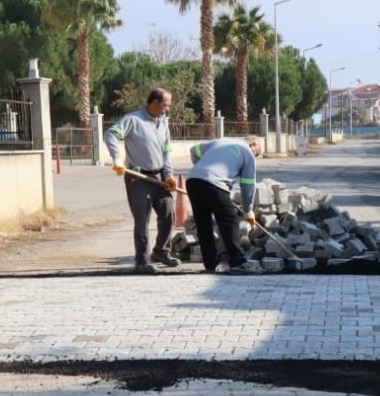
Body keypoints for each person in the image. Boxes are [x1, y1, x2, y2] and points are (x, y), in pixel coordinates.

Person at [104, 88, 177, 273]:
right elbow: (111, 134)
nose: (167, 109)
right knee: (142, 219)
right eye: (165, 105)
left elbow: (167, 151)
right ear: (154, 103)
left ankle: (161, 251)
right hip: (138, 177)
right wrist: (117, 159)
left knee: (169, 213)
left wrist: (168, 174)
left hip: (159, 177)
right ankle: (142, 261)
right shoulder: (133, 120)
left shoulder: (163, 123)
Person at [184, 136, 265, 274]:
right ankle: (238, 260)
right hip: (215, 183)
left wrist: (203, 167)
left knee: (204, 223)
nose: (255, 156)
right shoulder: (248, 154)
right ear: (253, 144)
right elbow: (247, 185)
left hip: (193, 180)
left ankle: (210, 263)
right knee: (229, 220)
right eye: (257, 153)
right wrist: (248, 211)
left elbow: (194, 150)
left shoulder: (222, 141)